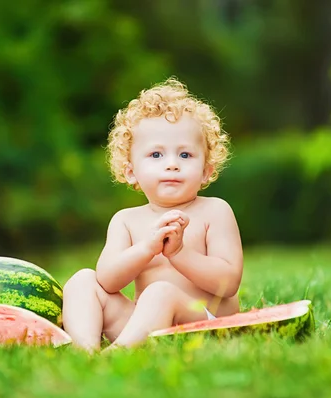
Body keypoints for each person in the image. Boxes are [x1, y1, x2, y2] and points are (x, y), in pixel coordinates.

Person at [62, 78, 243, 352]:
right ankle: (85, 351)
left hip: (204, 323)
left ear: (206, 168)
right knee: (82, 280)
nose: (171, 164)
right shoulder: (126, 220)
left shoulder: (215, 211)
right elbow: (108, 280)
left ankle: (118, 354)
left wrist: (178, 252)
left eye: (185, 155)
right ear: (131, 170)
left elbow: (228, 284)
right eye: (156, 155)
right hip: (143, 324)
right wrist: (146, 248)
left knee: (160, 292)